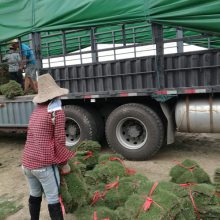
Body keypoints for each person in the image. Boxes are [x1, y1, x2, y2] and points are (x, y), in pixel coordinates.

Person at [22, 73, 74, 220]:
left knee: (34, 194)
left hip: (27, 163)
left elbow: (30, 136)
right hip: (44, 165)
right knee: (53, 199)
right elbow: (59, 140)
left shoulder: (36, 111)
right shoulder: (57, 112)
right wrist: (64, 163)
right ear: (55, 93)